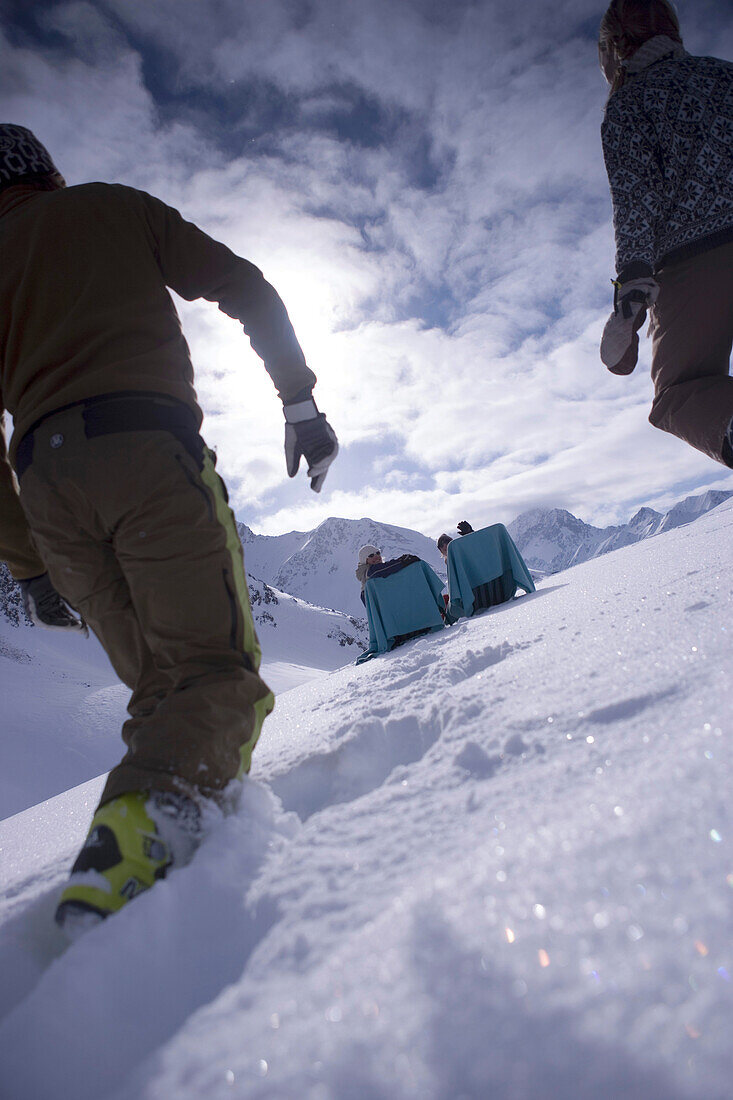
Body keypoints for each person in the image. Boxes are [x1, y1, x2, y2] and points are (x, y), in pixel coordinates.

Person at [0, 124, 338, 936]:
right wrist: (299, 401)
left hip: (48, 489)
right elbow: (245, 286)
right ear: (47, 171)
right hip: (145, 451)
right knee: (214, 672)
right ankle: (141, 834)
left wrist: (29, 565)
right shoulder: (110, 209)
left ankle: (147, 894)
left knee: (159, 687)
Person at [598, 0, 733, 467]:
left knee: (679, 394)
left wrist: (629, 300)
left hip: (695, 259)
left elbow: (636, 203)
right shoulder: (725, 75)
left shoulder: (628, 103)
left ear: (615, 47)